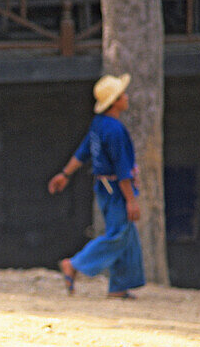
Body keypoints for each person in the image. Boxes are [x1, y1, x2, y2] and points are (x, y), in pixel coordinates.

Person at [48, 73, 145, 299]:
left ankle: (119, 287)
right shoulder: (115, 130)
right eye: (122, 94)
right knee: (118, 234)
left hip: (103, 187)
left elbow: (83, 152)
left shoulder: (99, 124)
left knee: (126, 235)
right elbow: (122, 170)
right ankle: (75, 264)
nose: (127, 97)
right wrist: (131, 199)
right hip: (116, 190)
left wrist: (65, 174)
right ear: (115, 102)